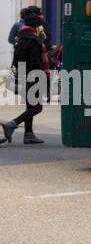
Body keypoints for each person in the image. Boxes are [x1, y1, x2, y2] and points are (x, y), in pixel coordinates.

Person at [2, 11, 48, 144]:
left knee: (30, 106)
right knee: (37, 107)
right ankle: (12, 124)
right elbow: (35, 62)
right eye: (40, 26)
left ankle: (28, 134)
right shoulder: (34, 40)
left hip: (23, 75)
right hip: (34, 76)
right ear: (36, 26)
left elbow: (16, 61)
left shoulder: (20, 38)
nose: (41, 28)